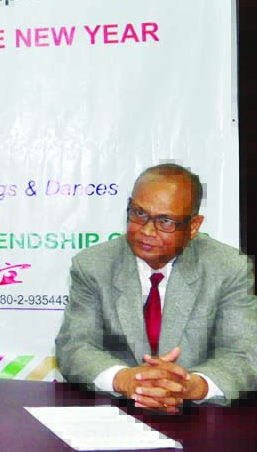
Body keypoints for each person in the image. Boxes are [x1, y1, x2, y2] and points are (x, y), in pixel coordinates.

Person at [56, 163, 257, 410]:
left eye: (165, 221)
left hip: (199, 414)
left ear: (193, 226)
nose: (147, 230)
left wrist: (191, 386)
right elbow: (75, 346)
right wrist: (126, 380)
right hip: (116, 410)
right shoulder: (94, 265)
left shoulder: (228, 268)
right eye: (139, 213)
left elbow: (243, 354)